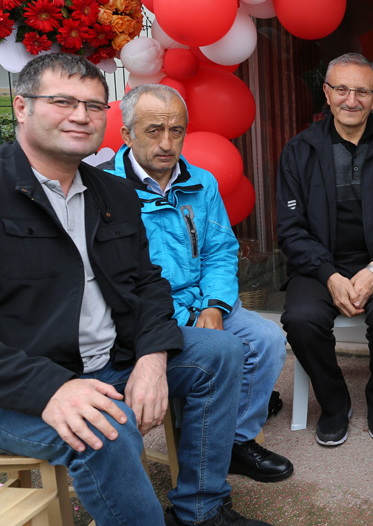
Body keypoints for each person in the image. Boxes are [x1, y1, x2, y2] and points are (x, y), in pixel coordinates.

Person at [0, 54, 271, 526]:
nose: (81, 116)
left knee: (223, 350)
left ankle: (201, 509)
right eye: (63, 102)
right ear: (21, 107)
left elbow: (146, 285)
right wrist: (50, 387)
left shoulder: (112, 193)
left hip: (113, 359)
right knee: (106, 429)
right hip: (21, 387)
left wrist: (152, 354)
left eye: (93, 105)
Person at [107, 84, 292, 483]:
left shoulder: (201, 183)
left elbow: (220, 251)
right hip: (149, 316)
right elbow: (120, 282)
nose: (167, 143)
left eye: (176, 130)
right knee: (219, 352)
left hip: (203, 300)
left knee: (267, 340)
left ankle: (235, 442)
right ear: (127, 135)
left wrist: (214, 306)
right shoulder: (107, 191)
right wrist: (185, 316)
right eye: (154, 130)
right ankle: (203, 452)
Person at [277, 52, 373, 447]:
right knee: (301, 317)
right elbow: (290, 230)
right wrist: (328, 274)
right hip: (319, 264)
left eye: (362, 91)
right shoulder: (299, 150)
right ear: (327, 93)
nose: (351, 100)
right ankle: (333, 402)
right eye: (342, 89)